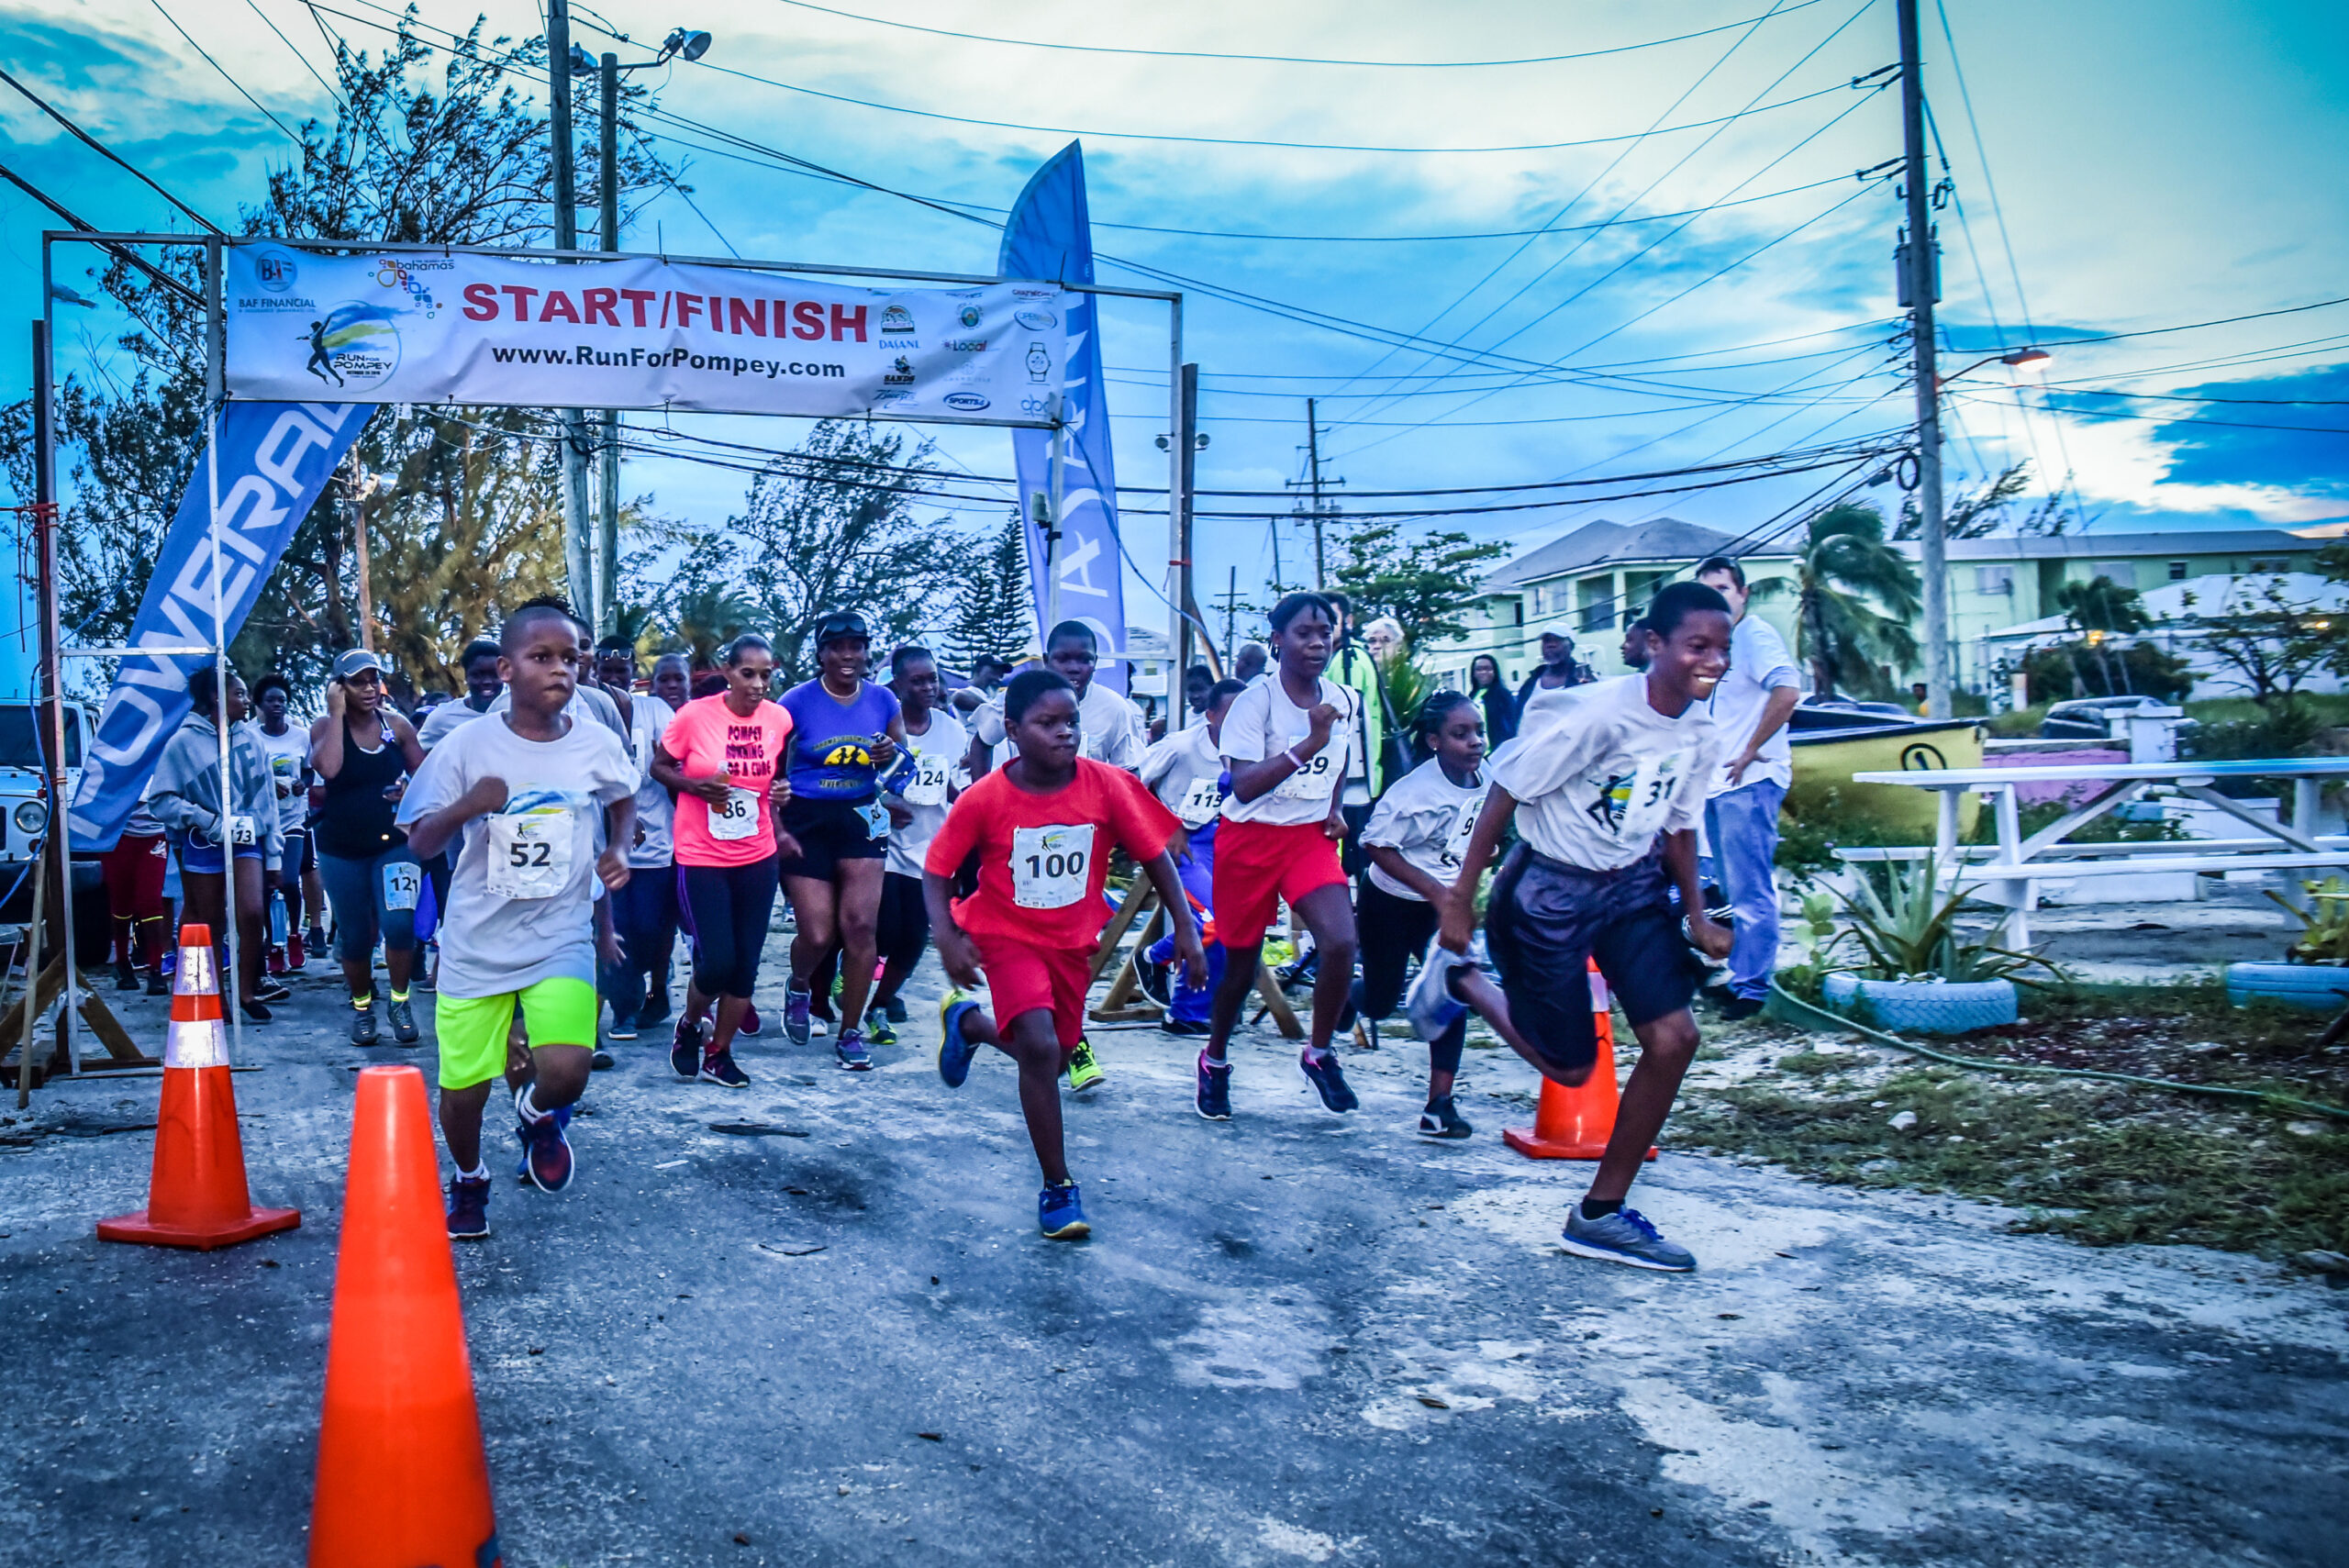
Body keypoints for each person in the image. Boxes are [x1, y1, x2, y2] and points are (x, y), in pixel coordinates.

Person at [1411, 581, 1735, 1273]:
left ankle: (1600, 1213)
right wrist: (1461, 899)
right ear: (1656, 645)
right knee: (1571, 1065)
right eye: (1697, 646)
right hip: (1548, 890)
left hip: (1631, 887)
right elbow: (1507, 789)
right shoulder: (1601, 717)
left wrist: (1696, 913)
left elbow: (1680, 826)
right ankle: (1463, 981)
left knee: (1674, 1039)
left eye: (1723, 647)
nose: (1713, 661)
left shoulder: (1700, 731)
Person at [925, 669, 1207, 1240]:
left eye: (1072, 721)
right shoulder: (986, 798)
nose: (1064, 733)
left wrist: (1186, 926)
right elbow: (936, 870)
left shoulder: (1106, 786)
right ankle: (1058, 1186)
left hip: (1072, 942)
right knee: (1039, 1046)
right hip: (1005, 935)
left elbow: (1154, 856)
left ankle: (970, 1024)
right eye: (1047, 723)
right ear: (1012, 730)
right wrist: (948, 937)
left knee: (1052, 1058)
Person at [398, 605, 639, 1239]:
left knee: (569, 1068)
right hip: (478, 941)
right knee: (464, 1090)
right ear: (505, 670)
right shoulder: (466, 745)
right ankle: (470, 1176)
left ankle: (534, 1113)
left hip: (559, 932)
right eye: (542, 657)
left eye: (570, 658)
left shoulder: (595, 741)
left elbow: (623, 798)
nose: (561, 669)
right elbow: (420, 842)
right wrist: (470, 805)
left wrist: (618, 849)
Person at [1197, 592, 1363, 1120]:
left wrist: (1335, 808)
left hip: (1306, 838)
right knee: (1241, 967)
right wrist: (1309, 741)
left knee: (1341, 941)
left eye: (1325, 633)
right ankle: (1214, 1060)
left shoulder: (1343, 698)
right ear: (1277, 641)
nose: (1317, 643)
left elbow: (1340, 759)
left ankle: (1319, 1053)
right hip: (1249, 841)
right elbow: (1244, 786)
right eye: (1304, 633)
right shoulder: (1255, 703)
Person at [652, 634, 796, 1088]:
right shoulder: (694, 716)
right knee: (717, 961)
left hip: (758, 853)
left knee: (746, 965)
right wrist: (694, 787)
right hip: (702, 855)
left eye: (766, 675)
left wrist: (781, 793)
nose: (758, 684)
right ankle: (691, 1023)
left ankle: (720, 1053)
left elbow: (776, 778)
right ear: (728, 671)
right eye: (747, 674)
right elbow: (659, 767)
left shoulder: (778, 718)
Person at [1355, 692, 1489, 1137]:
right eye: (1461, 733)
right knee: (1381, 1000)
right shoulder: (1413, 792)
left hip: (1441, 904)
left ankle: (1438, 1106)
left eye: (1479, 731)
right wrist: (1434, 890)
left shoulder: (1488, 779)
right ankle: (1348, 999)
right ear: (1434, 741)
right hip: (1390, 901)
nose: (1475, 741)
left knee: (1453, 990)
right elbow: (1374, 845)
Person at [776, 611, 906, 1069]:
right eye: (837, 647)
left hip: (860, 815)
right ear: (822, 654)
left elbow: (902, 768)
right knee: (817, 933)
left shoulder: (883, 700)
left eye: (857, 646)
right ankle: (798, 984)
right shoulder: (795, 701)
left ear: (867, 651)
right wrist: (777, 823)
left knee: (861, 928)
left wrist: (890, 755)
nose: (848, 656)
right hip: (806, 818)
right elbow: (773, 767)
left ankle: (850, 1032)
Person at [1693, 557, 1803, 1020]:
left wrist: (1751, 749)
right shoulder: (1716, 646)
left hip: (1750, 780)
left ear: (1743, 593)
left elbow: (1787, 691)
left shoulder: (1754, 635)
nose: (1715, 598)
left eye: (1722, 588)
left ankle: (1754, 990)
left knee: (1750, 888)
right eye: (1706, 591)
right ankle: (1742, 977)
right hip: (1717, 784)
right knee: (1731, 888)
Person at [149, 666, 284, 1019]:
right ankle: (217, 995)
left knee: (252, 912)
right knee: (210, 920)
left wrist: (274, 856)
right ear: (215, 697)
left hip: (248, 835)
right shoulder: (182, 743)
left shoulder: (252, 739)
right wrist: (204, 820)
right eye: (238, 694)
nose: (246, 700)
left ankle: (246, 991)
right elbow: (160, 800)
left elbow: (268, 799)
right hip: (204, 840)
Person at [310, 650, 428, 1045]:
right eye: (357, 681)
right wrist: (336, 713)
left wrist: (409, 789)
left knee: (399, 925)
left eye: (373, 679)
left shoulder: (397, 725)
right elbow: (328, 769)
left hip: (394, 845)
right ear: (339, 687)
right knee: (357, 936)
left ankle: (400, 1003)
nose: (368, 688)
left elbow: (426, 774)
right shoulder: (325, 726)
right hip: (341, 848)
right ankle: (362, 1008)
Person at [860, 644, 963, 1047]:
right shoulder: (882, 728)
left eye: (932, 679)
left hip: (930, 848)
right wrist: (883, 803)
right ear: (898, 685)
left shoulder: (952, 730)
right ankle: (849, 971)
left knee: (915, 938)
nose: (928, 688)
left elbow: (950, 784)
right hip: (884, 844)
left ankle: (879, 1006)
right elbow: (859, 784)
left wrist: (966, 807)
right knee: (885, 931)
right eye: (917, 681)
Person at [1136, 677, 1245, 1037]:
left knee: (1232, 925)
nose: (1242, 721)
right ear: (1211, 716)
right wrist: (1167, 825)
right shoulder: (1182, 747)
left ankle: (1187, 1013)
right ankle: (1154, 956)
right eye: (1232, 714)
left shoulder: (1255, 749)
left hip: (1223, 838)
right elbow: (1133, 786)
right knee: (1210, 919)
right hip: (1180, 842)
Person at [605, 651, 688, 1040]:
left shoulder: (656, 711)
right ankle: (625, 1009)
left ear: (634, 674)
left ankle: (656, 983)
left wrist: (670, 770)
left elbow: (673, 767)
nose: (613, 679)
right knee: (616, 926)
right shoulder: (586, 711)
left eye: (620, 671)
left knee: (651, 928)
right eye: (606, 671)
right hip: (606, 846)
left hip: (657, 842)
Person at [964, 621, 1143, 779]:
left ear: (1095, 662)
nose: (1074, 668)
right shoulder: (1019, 696)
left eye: (1084, 660)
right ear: (1046, 660)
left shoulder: (1114, 707)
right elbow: (982, 742)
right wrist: (981, 798)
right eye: (1062, 659)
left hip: (1088, 806)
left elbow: (1129, 770)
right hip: (1025, 804)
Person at [250, 673, 315, 972]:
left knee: (289, 880)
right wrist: (268, 786)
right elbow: (244, 776)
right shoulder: (250, 735)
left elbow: (309, 770)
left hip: (293, 819)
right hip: (263, 820)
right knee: (267, 885)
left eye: (282, 700)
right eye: (271, 700)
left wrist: (303, 783)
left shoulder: (301, 736)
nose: (277, 705)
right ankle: (273, 943)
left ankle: (294, 936)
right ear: (260, 705)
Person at [99, 793, 171, 994]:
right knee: (121, 903)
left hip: (156, 834)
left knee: (151, 901)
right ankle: (122, 963)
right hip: (117, 833)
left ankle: (155, 969)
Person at [417, 639, 505, 749]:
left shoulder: (517, 713)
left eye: (495, 675)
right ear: (466, 677)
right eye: (477, 675)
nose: (487, 681)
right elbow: (417, 754)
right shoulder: (443, 717)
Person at [1515, 622, 1586, 711]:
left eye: (1558, 640)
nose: (1551, 645)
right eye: (1546, 640)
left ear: (1571, 646)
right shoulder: (1531, 682)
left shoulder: (1582, 680)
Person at [1468, 653, 1518, 748]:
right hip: (1477, 748)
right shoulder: (1471, 696)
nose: (1483, 672)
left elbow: (1512, 723)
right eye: (1479, 669)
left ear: (1495, 672)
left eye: (1488, 669)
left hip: (1498, 749)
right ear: (1473, 673)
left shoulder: (1503, 695)